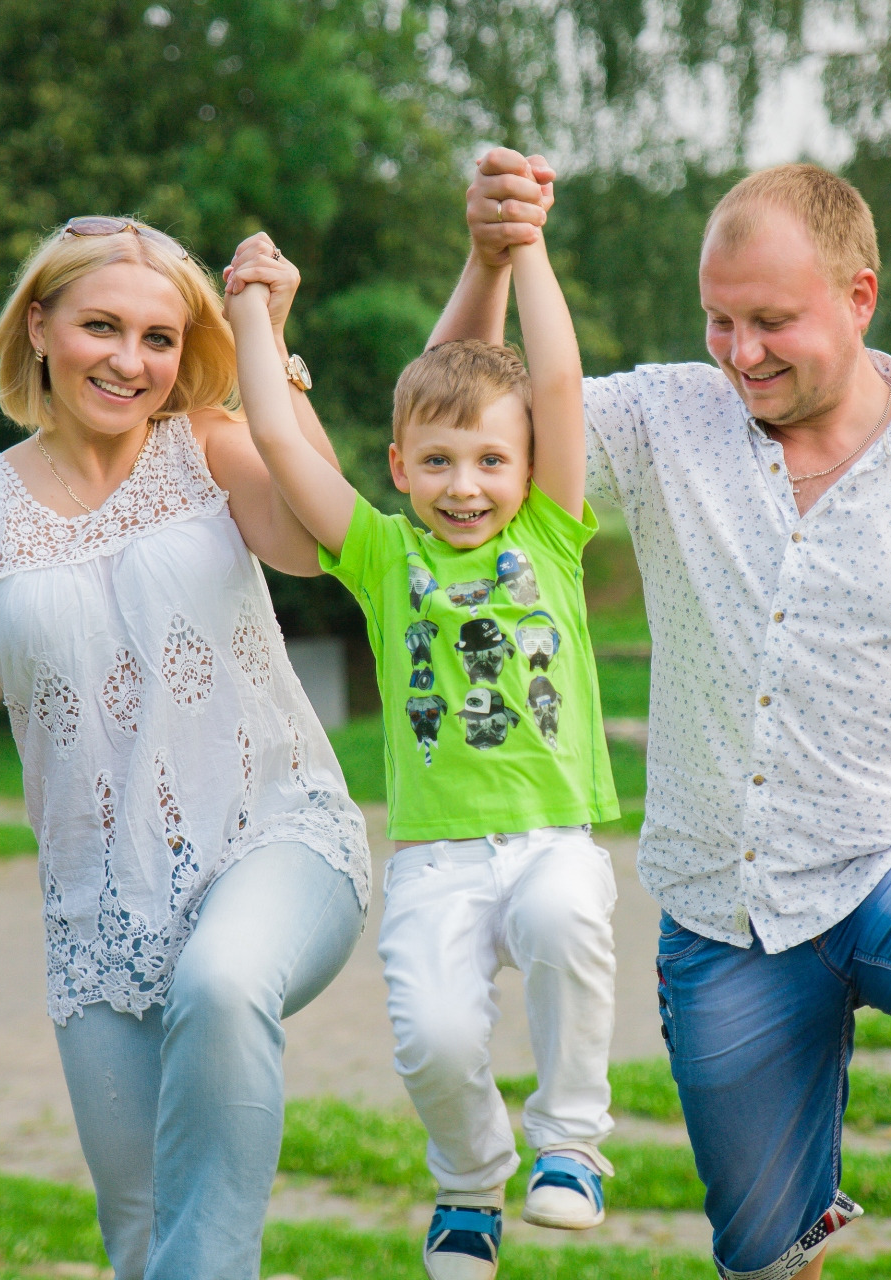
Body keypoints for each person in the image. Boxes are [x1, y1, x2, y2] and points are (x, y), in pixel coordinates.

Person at [433, 155, 891, 1280]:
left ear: (860, 297)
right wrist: (489, 264)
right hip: (722, 900)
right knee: (768, 1263)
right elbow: (459, 425)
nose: (741, 351)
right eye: (719, 319)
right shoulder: (665, 417)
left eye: (772, 320)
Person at [0, 218, 371, 1280]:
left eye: (159, 337)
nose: (130, 358)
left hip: (282, 840)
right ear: (39, 324)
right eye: (102, 325)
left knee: (225, 979)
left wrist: (267, 351)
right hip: (100, 915)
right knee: (147, 1240)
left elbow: (320, 535)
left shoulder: (211, 443)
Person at [223, 223, 620, 1279]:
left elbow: (563, 379)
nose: (465, 485)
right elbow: (275, 430)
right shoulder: (381, 555)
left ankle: (571, 1143)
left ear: (529, 465)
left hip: (549, 835)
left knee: (565, 913)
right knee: (434, 1037)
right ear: (399, 466)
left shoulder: (550, 535)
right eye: (437, 461)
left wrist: (531, 244)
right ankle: (468, 1182)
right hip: (436, 854)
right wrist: (252, 311)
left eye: (492, 459)